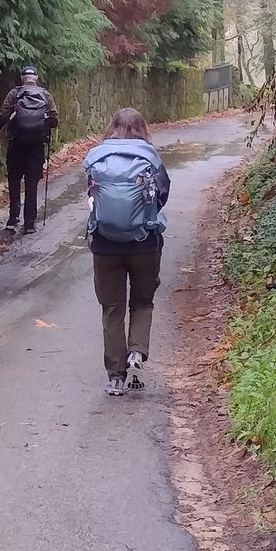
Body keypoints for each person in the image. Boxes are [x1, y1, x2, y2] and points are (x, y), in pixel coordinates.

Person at [82, 108, 170, 396]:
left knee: (112, 308)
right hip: (145, 243)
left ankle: (116, 377)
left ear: (112, 127)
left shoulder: (97, 156)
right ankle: (136, 352)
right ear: (142, 127)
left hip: (105, 244)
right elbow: (163, 195)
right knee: (143, 302)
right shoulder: (150, 156)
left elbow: (92, 196)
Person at [0, 65, 59, 235]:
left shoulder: (14, 94)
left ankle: (13, 219)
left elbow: (3, 115)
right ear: (36, 78)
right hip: (36, 146)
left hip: (16, 145)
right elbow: (54, 120)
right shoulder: (45, 95)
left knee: (14, 182)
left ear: (22, 78)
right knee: (31, 184)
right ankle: (29, 223)